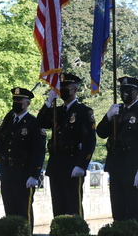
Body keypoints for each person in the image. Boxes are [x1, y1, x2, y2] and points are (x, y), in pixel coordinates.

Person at [96, 76, 138, 224]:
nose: (125, 94)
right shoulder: (117, 111)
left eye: (129, 90)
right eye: (122, 90)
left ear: (137, 92)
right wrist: (108, 117)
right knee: (118, 208)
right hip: (116, 166)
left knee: (134, 209)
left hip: (133, 168)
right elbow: (101, 133)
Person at [37, 73, 97, 217]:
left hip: (72, 163)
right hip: (56, 164)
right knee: (58, 208)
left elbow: (90, 140)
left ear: (75, 90)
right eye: (60, 87)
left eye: (66, 87)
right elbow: (40, 123)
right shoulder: (57, 110)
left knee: (73, 207)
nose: (62, 89)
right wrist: (49, 101)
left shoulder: (83, 111)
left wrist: (82, 165)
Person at [0, 87, 46, 230]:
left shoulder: (34, 123)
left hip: (23, 174)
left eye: (19, 100)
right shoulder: (9, 121)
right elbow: (2, 148)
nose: (16, 102)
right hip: (7, 172)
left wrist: (34, 175)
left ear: (27, 103)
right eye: (14, 100)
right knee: (10, 211)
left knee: (23, 211)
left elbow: (38, 151)